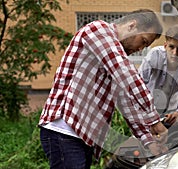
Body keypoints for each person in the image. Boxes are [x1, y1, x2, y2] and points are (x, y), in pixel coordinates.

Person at [38, 9, 168, 169]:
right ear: (132, 26)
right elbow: (127, 75)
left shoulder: (114, 57)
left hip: (81, 137)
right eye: (143, 41)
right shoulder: (98, 30)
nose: (141, 48)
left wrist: (148, 140)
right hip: (63, 130)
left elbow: (127, 103)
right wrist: (154, 120)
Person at [138, 24, 178, 128]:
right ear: (165, 45)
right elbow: (139, 84)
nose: (175, 53)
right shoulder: (154, 55)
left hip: (170, 111)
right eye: (171, 47)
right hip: (146, 109)